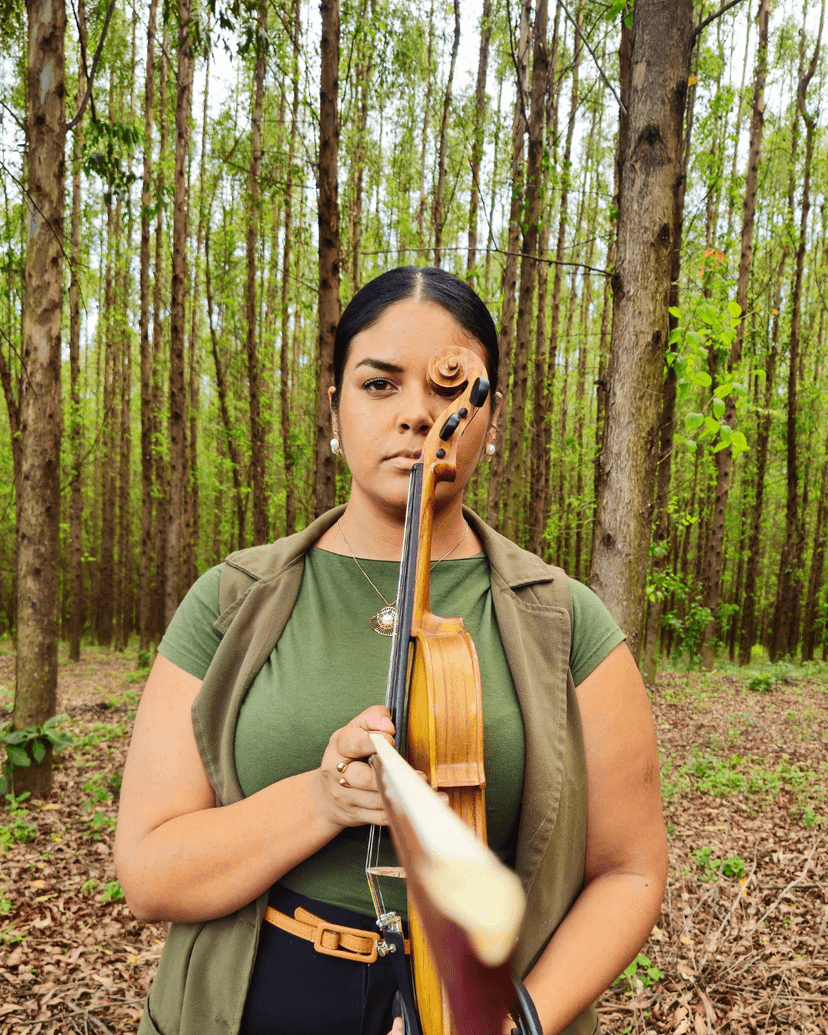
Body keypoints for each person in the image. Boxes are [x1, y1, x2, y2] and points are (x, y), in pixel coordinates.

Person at [115, 266, 668, 1035]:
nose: (417, 414)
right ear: (334, 407)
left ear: (489, 416)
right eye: (379, 385)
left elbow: (631, 869)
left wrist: (519, 1019)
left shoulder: (566, 621)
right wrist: (321, 799)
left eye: (449, 391)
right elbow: (146, 871)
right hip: (251, 1001)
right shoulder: (229, 601)